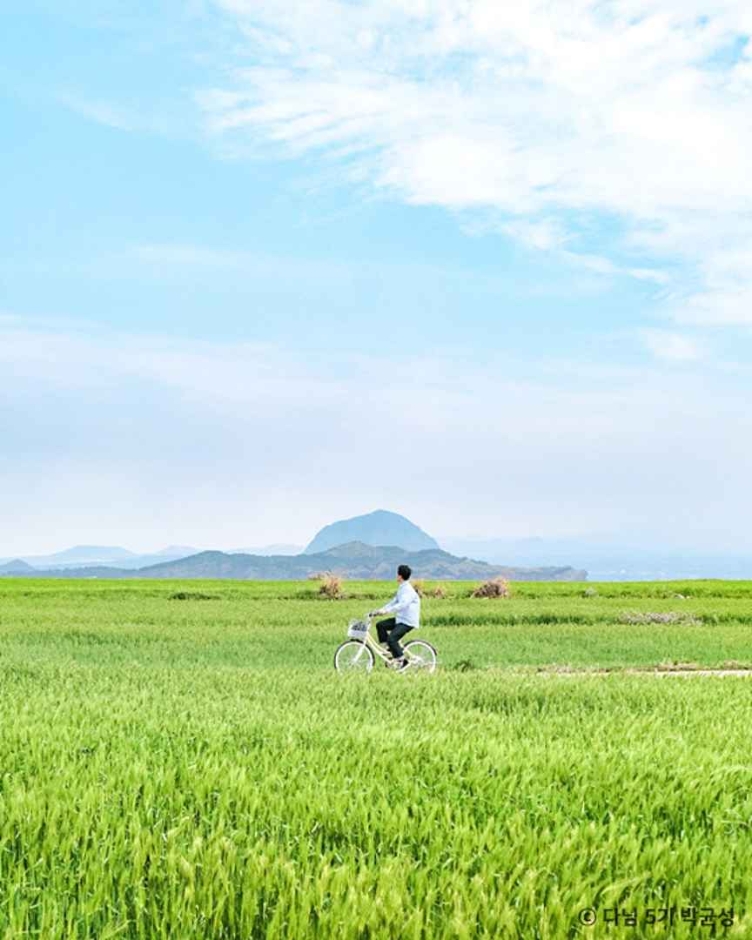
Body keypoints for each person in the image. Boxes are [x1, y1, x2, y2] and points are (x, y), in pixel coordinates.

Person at [370, 564, 421, 669]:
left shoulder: (408, 590)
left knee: (392, 639)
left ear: (400, 576)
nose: (396, 576)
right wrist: (380, 610)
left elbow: (402, 604)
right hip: (400, 619)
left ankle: (403, 661)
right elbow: (393, 602)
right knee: (381, 625)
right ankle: (390, 650)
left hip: (407, 622)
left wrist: (387, 611)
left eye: (397, 574)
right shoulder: (402, 588)